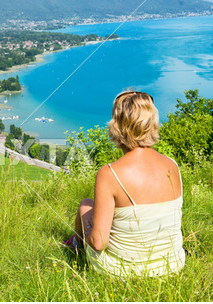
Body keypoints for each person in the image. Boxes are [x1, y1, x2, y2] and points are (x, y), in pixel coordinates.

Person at [68, 91, 185, 276]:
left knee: (85, 206)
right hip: (172, 265)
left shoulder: (109, 173)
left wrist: (89, 229)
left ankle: (76, 248)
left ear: (117, 126)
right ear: (152, 123)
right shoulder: (173, 165)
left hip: (123, 271)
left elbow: (99, 243)